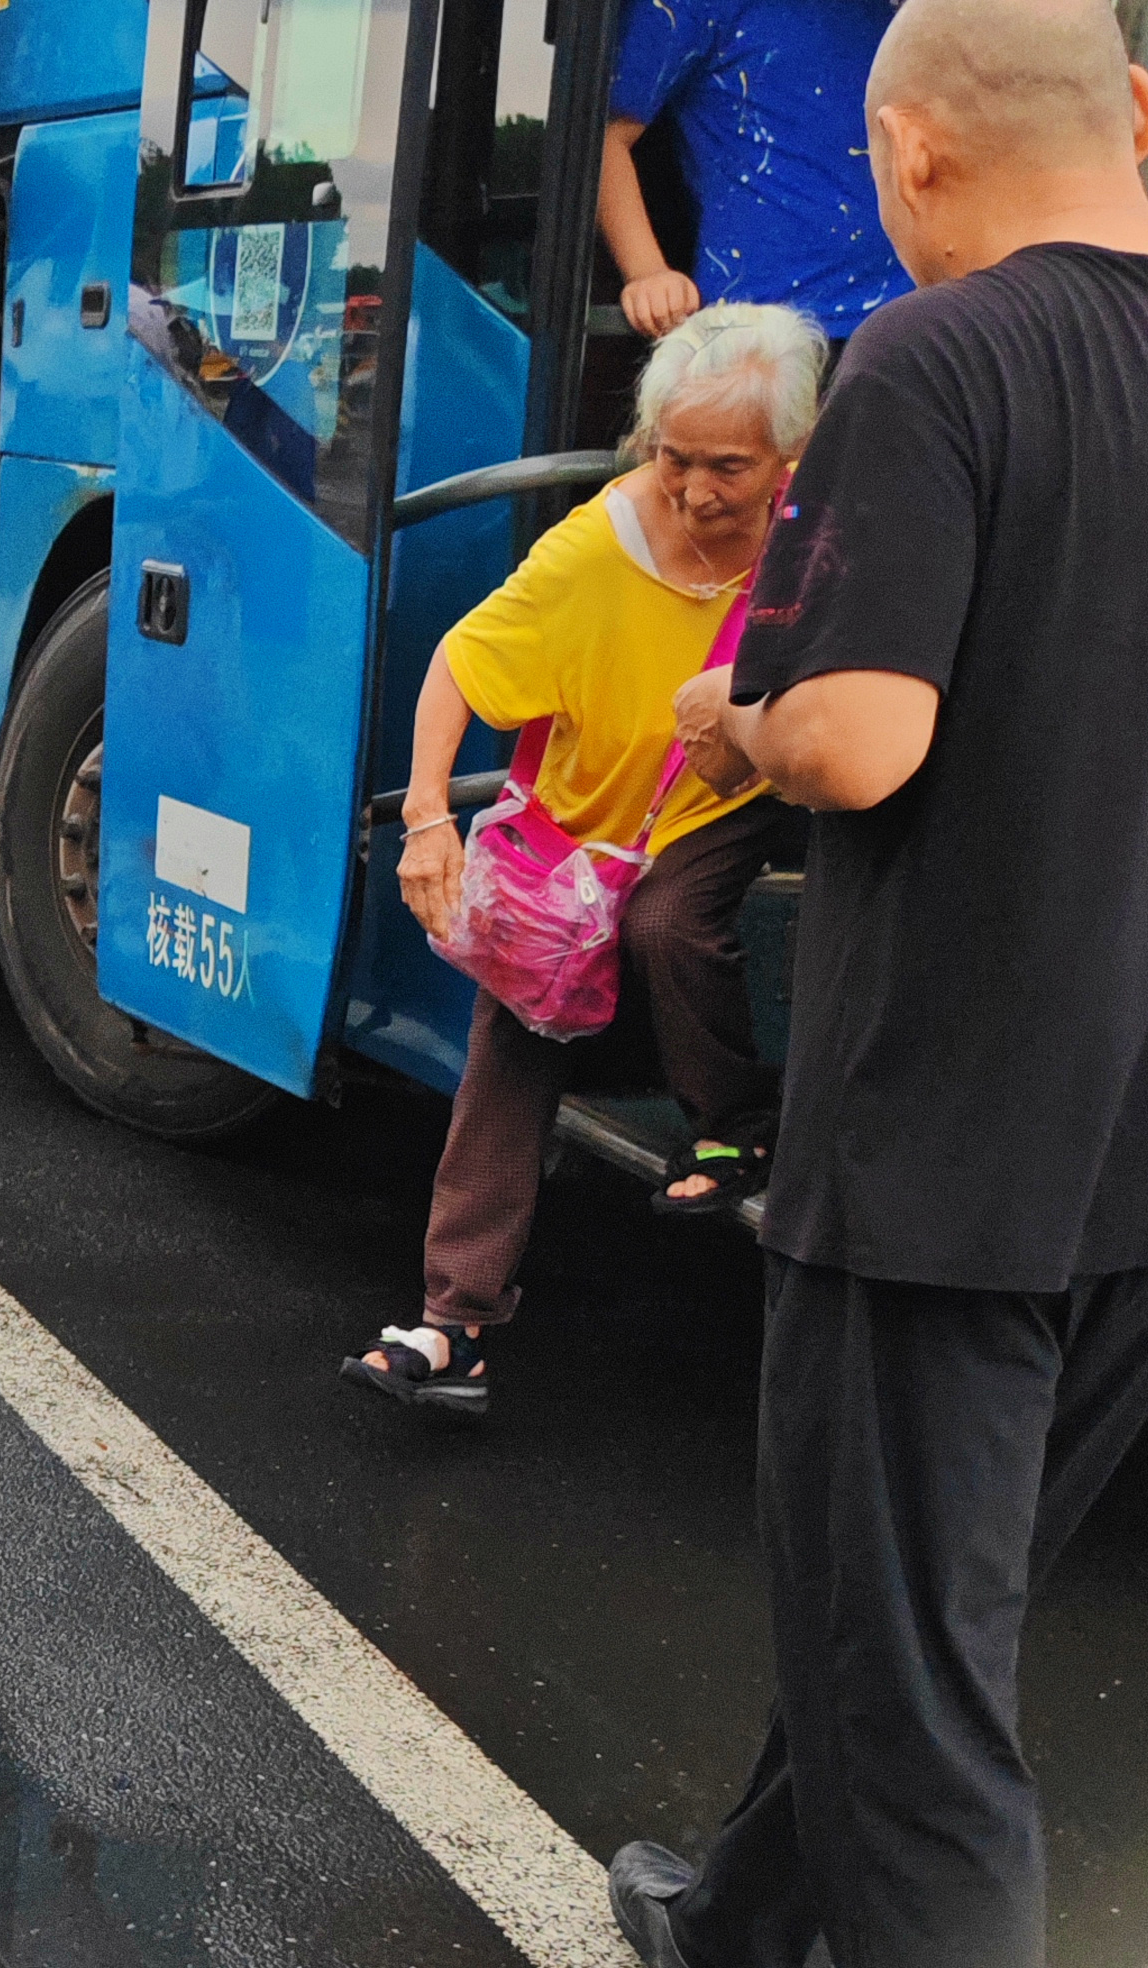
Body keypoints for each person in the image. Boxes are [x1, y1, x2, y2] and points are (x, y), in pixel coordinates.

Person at [613, 4, 1148, 1968]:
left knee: (919, 1702)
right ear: (1139, 122)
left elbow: (862, 742)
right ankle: (717, 1923)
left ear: (897, 152)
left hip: (942, 1161)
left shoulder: (930, 367)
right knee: (916, 1621)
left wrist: (730, 709)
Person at [343, 304, 823, 1416]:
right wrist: (427, 818)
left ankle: (736, 1124)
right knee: (509, 1048)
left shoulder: (823, 537)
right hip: (583, 833)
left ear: (788, 460)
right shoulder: (597, 546)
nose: (697, 490)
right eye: (674, 458)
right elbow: (460, 667)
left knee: (666, 922)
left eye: (728, 467)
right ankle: (452, 1323)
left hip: (727, 801)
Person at [602, 0, 915, 345]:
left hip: (910, 320)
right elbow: (602, 140)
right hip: (763, 340)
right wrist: (647, 273)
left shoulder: (918, 10)